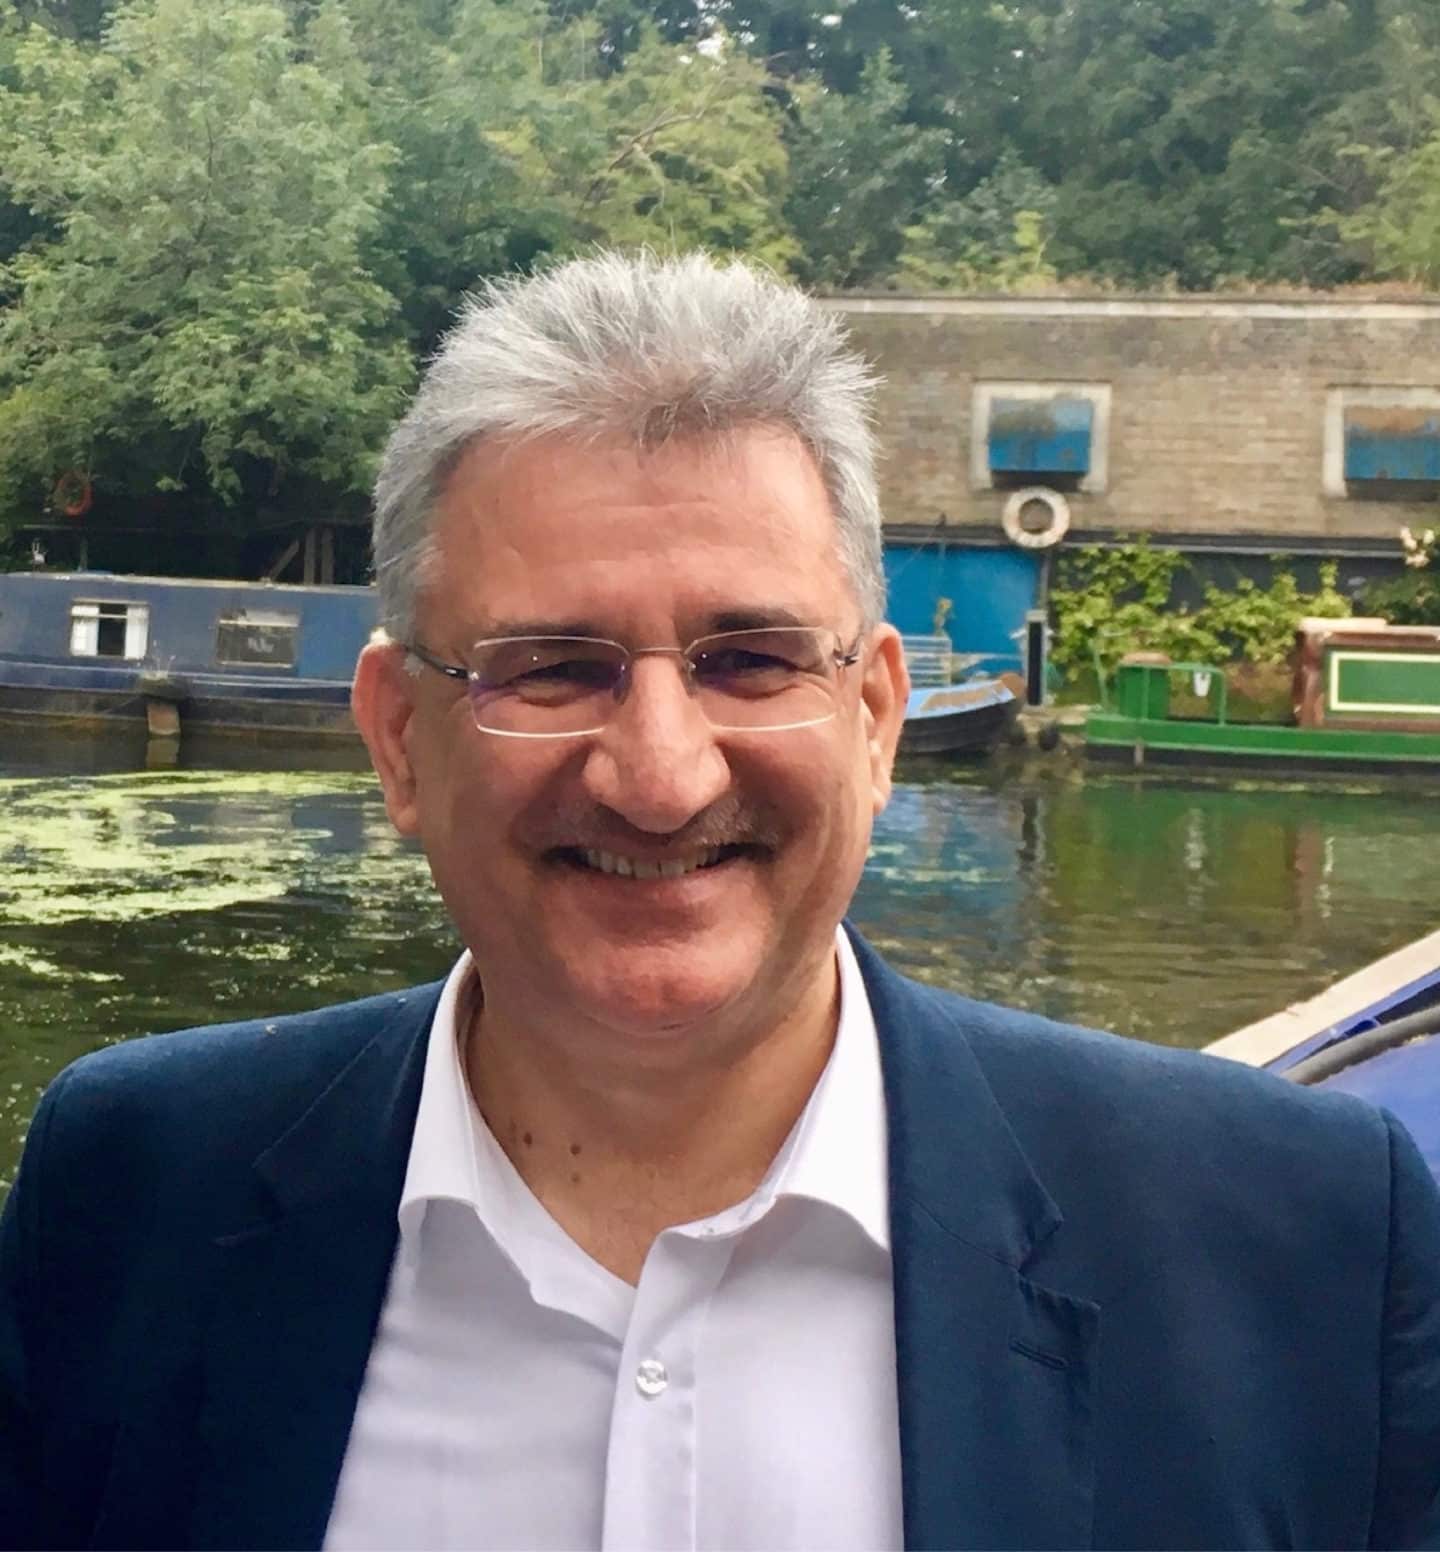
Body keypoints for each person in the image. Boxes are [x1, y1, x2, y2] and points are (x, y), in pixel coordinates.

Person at [2, 251, 1439, 1552]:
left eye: (749, 660)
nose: (661, 778)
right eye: (552, 666)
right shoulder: (130, 1196)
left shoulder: (1299, 1245)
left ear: (877, 719)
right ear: (398, 740)